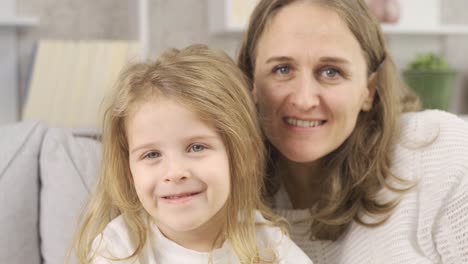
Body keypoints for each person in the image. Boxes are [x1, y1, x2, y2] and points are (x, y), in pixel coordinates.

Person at [238, 0, 468, 263]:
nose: (304, 99)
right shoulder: (222, 194)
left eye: (331, 72)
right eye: (282, 69)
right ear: (251, 82)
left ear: (369, 89)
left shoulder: (437, 152)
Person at [73, 44, 312, 264]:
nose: (175, 173)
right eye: (152, 155)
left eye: (196, 147)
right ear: (129, 171)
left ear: (243, 155)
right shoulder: (119, 247)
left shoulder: (269, 243)